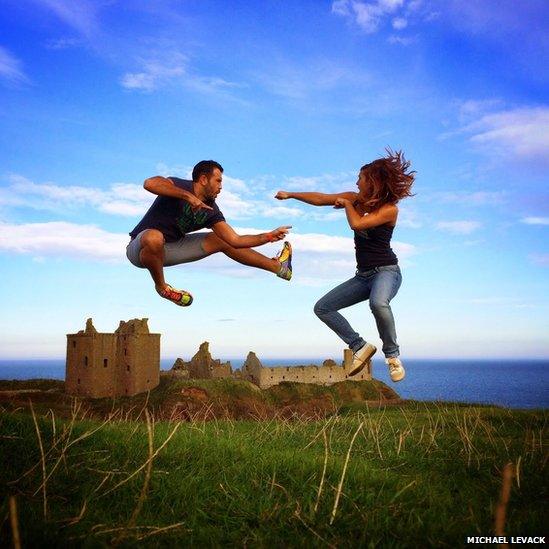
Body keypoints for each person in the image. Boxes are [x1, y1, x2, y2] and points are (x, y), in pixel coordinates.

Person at [275, 149, 414, 382]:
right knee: (322, 307)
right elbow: (320, 198)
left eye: (360, 178)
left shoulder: (389, 209)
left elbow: (358, 224)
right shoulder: (355, 198)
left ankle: (392, 356)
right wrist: (290, 194)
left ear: (373, 182)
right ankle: (360, 346)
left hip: (387, 272)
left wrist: (347, 206)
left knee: (378, 303)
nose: (356, 182)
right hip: (363, 276)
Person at [127, 160, 292, 306]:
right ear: (204, 179)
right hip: (140, 249)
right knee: (154, 237)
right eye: (218, 181)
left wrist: (268, 236)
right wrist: (188, 197)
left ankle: (279, 268)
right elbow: (149, 183)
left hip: (171, 249)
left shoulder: (211, 210)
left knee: (221, 239)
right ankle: (163, 288)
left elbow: (235, 240)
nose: (221, 187)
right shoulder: (179, 185)